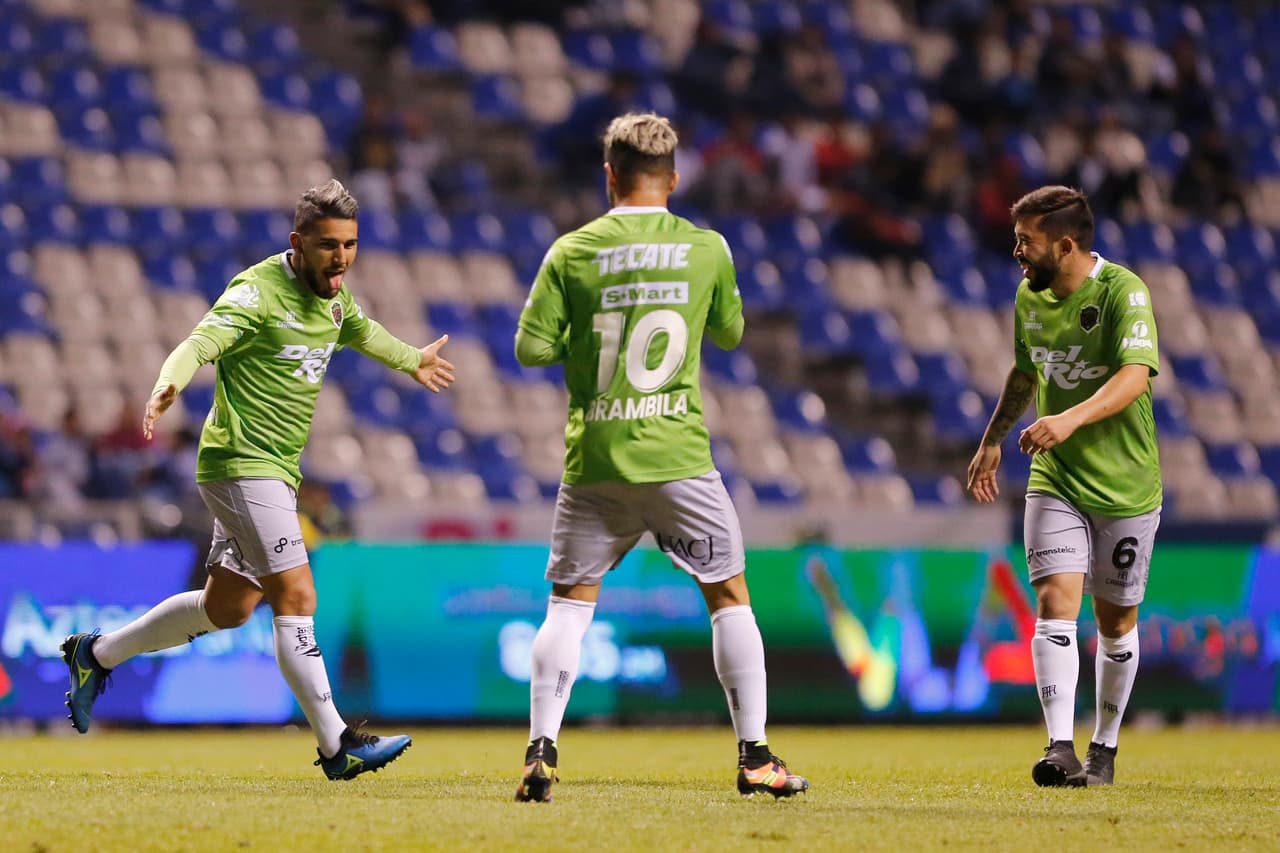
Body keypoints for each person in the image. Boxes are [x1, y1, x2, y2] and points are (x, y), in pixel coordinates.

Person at [61, 179, 455, 781]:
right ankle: (338, 744)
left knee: (229, 608)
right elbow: (200, 343)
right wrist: (170, 381)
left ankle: (97, 653)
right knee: (296, 595)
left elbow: (360, 329)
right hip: (242, 465)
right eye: (328, 246)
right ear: (297, 243)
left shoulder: (333, 296)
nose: (341, 258)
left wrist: (412, 359)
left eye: (350, 245)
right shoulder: (255, 293)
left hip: (274, 470)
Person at [511, 112, 809, 803]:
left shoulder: (572, 249)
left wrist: (586, 342)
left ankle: (540, 751)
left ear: (609, 175)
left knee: (568, 605)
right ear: (673, 179)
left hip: (596, 462)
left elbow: (529, 348)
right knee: (730, 597)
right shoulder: (707, 247)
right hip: (678, 455)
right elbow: (731, 332)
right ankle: (755, 756)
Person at [966, 185, 1161, 788]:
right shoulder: (1029, 297)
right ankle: (1059, 747)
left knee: (1115, 623)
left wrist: (1069, 418)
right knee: (1053, 605)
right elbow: (1027, 372)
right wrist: (994, 437)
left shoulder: (1122, 292)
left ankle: (1103, 750)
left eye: (1027, 241)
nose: (1017, 251)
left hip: (1126, 483)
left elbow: (1135, 376)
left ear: (1066, 244)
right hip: (1057, 479)